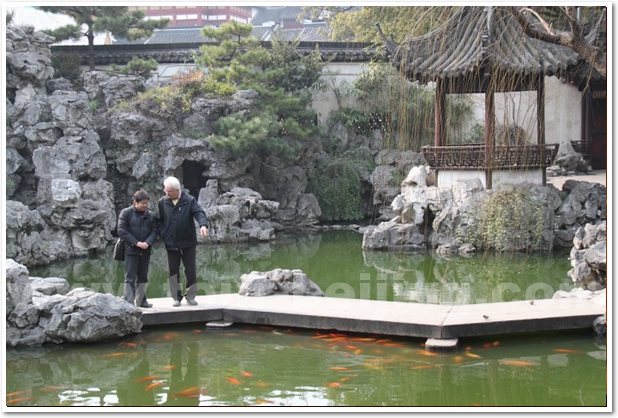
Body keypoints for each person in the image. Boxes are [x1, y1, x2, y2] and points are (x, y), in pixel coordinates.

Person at [156, 176, 209, 307]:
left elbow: (199, 213)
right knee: (172, 271)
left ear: (176, 190)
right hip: (170, 242)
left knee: (190, 269)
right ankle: (176, 297)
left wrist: (203, 225)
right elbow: (158, 221)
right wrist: (163, 234)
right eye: (165, 191)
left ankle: (190, 296)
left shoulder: (189, 200)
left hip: (188, 241)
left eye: (168, 191)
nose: (166, 193)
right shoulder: (162, 202)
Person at [117, 190, 158, 308]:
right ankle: (129, 302)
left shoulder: (150, 215)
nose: (145, 206)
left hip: (145, 250)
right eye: (143, 203)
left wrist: (148, 242)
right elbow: (121, 230)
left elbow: (155, 231)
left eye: (146, 203)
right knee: (130, 276)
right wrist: (136, 243)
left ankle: (141, 300)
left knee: (143, 276)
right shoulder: (126, 213)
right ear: (135, 202)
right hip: (131, 249)